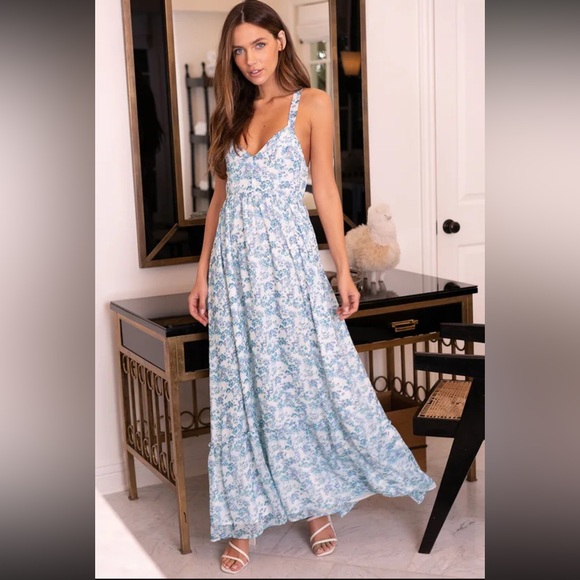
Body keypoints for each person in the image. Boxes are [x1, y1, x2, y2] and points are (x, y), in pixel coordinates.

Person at [187, 0, 435, 573]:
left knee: (305, 383)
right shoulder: (230, 113)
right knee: (242, 394)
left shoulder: (312, 103)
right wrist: (201, 275)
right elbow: (219, 202)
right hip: (233, 274)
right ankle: (244, 519)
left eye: (258, 44)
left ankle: (317, 506)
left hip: (291, 270)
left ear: (280, 40)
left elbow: (324, 190)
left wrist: (343, 270)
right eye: (238, 50)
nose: (249, 59)